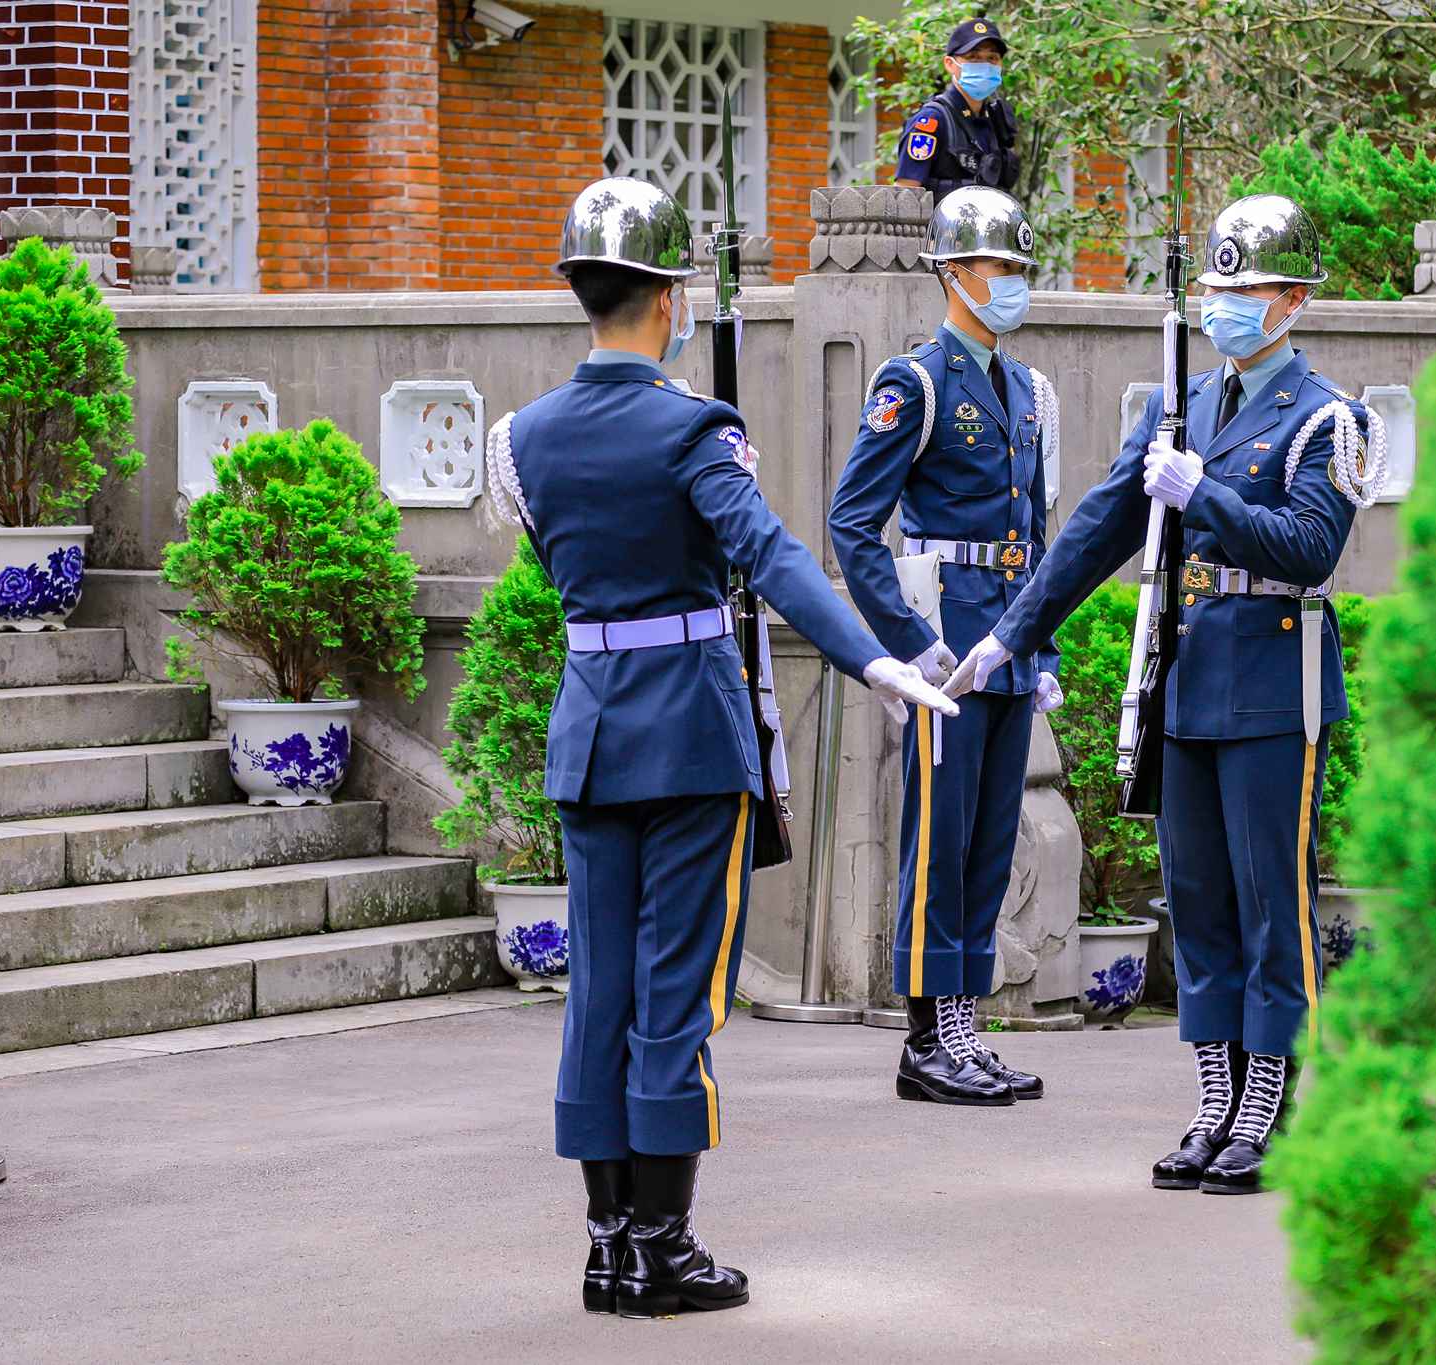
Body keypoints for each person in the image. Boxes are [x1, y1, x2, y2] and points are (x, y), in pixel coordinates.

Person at [484, 177, 959, 1317]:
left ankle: (606, 1246)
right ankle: (663, 1246)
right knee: (675, 991)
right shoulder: (693, 426)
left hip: (590, 730)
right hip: (691, 734)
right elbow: (773, 554)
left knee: (597, 986)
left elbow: (560, 572)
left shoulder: (525, 438)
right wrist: (873, 658)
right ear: (667, 299)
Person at [943, 194, 1380, 1194]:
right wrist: (1008, 636)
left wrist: (1204, 498)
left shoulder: (1326, 417)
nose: (1225, 306)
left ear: (1294, 301)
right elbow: (1095, 531)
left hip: (1276, 685)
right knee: (1195, 898)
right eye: (1214, 289)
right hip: (1187, 686)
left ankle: (1269, 1104)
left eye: (1246, 290)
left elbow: (1309, 552)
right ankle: (1213, 1097)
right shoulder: (1176, 406)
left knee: (1272, 901)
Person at [829, 186, 1063, 1106]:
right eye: (998, 268)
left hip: (1002, 643)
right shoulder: (915, 382)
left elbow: (1036, 533)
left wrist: (1036, 652)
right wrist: (912, 645)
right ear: (954, 274)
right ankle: (928, 1035)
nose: (1010, 284)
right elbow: (854, 526)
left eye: (1017, 269)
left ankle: (964, 1023)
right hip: (944, 642)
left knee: (988, 839)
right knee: (939, 838)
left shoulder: (1025, 387)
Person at [895, 16, 1021, 202]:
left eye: (992, 58)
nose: (984, 65)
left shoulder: (995, 120)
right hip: (938, 230)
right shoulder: (932, 120)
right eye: (973, 57)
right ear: (949, 64)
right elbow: (904, 194)